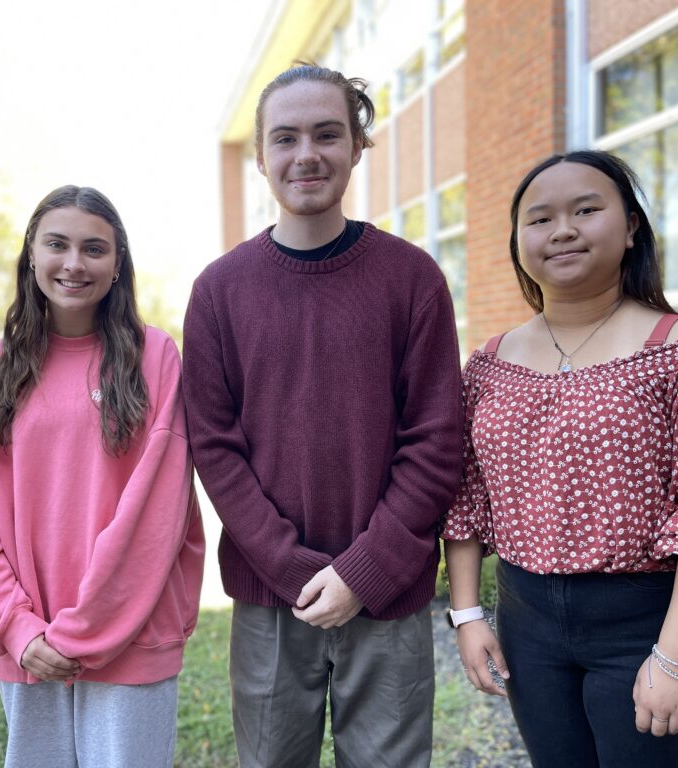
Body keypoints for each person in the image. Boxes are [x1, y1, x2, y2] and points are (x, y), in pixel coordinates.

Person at [442, 149, 678, 768]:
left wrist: (676, 656)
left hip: (645, 621)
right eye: (539, 219)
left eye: (586, 210)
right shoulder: (488, 363)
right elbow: (466, 492)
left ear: (631, 226)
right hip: (526, 621)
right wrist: (467, 615)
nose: (562, 229)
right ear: (518, 239)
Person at [183, 64, 463, 767]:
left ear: (358, 144)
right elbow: (214, 448)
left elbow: (435, 442)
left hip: (388, 595)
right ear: (261, 158)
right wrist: (292, 566)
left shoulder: (412, 278)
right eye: (285, 138)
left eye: (326, 134)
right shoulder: (219, 291)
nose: (306, 154)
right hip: (271, 598)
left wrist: (361, 572)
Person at [0, 185, 204, 768]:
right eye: (57, 245)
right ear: (31, 254)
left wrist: (84, 629)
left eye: (94, 249)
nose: (74, 264)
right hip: (29, 645)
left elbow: (155, 514)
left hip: (135, 634)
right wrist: (17, 628)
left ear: (118, 264)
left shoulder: (154, 359)